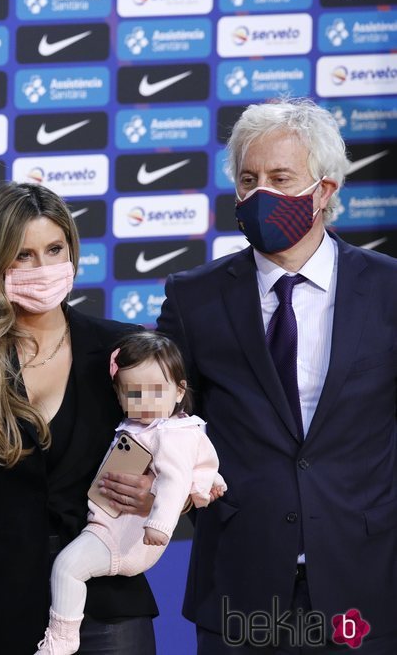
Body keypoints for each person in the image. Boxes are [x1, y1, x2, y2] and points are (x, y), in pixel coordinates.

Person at [157, 98, 397, 653]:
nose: (259, 192)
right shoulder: (193, 298)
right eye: (248, 179)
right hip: (240, 582)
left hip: (366, 582)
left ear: (325, 190)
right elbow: (158, 419)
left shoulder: (387, 290)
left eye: (280, 177)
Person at [0, 183, 158, 655]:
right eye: (23, 255)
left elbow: (159, 452)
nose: (44, 268)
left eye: (54, 249)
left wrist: (150, 492)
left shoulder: (122, 349)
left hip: (104, 598)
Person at [37, 331, 226, 655]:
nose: (145, 402)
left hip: (126, 536)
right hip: (108, 525)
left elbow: (174, 481)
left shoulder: (170, 433)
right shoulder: (141, 426)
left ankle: (61, 640)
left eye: (156, 391)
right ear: (119, 394)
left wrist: (161, 525)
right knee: (67, 568)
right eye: (134, 393)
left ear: (179, 391)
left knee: (67, 567)